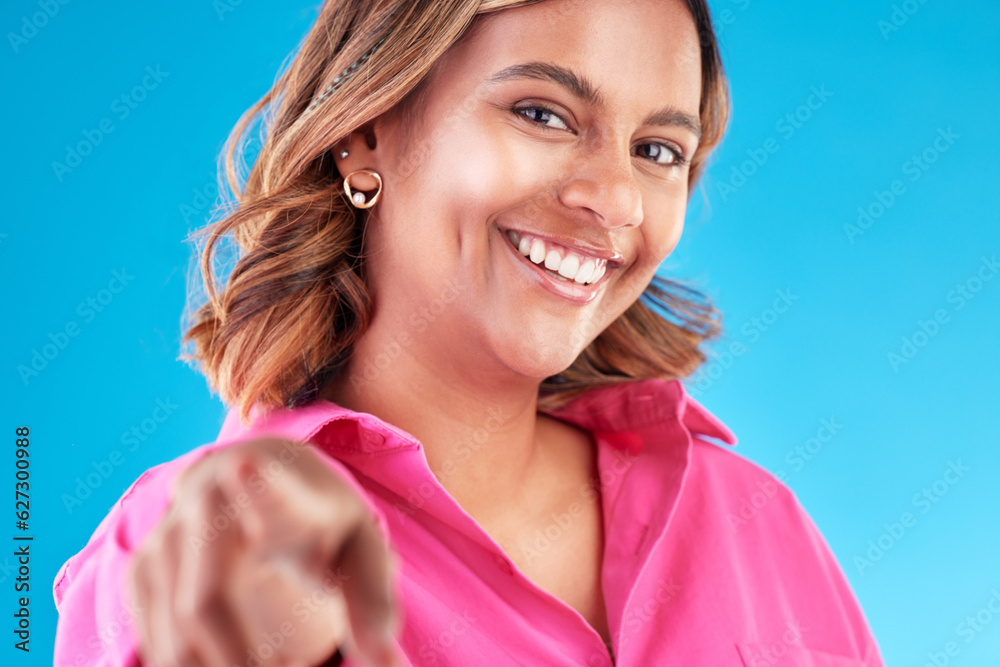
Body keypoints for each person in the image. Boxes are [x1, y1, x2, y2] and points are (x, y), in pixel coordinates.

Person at [52, 0, 886, 665]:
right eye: (542, 112)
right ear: (366, 129)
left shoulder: (752, 518)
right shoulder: (199, 547)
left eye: (659, 151)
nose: (616, 198)